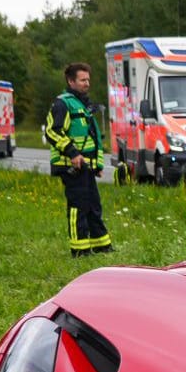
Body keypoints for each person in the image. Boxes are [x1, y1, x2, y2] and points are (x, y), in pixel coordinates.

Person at [45, 62, 112, 257]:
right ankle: (80, 250)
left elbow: (94, 138)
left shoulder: (83, 104)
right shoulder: (62, 104)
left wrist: (97, 165)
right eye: (83, 80)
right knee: (78, 207)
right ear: (71, 81)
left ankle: (101, 245)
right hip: (70, 167)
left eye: (88, 79)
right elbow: (52, 131)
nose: (87, 83)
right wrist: (72, 153)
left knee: (93, 205)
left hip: (86, 167)